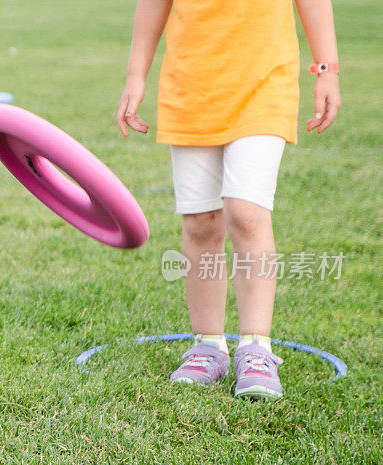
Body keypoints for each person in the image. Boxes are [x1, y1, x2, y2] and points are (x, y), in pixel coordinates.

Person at [117, 0, 341, 399]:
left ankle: (257, 347)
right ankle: (209, 345)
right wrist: (137, 74)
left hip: (264, 82)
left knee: (247, 212)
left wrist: (327, 69)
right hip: (191, 86)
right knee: (201, 220)